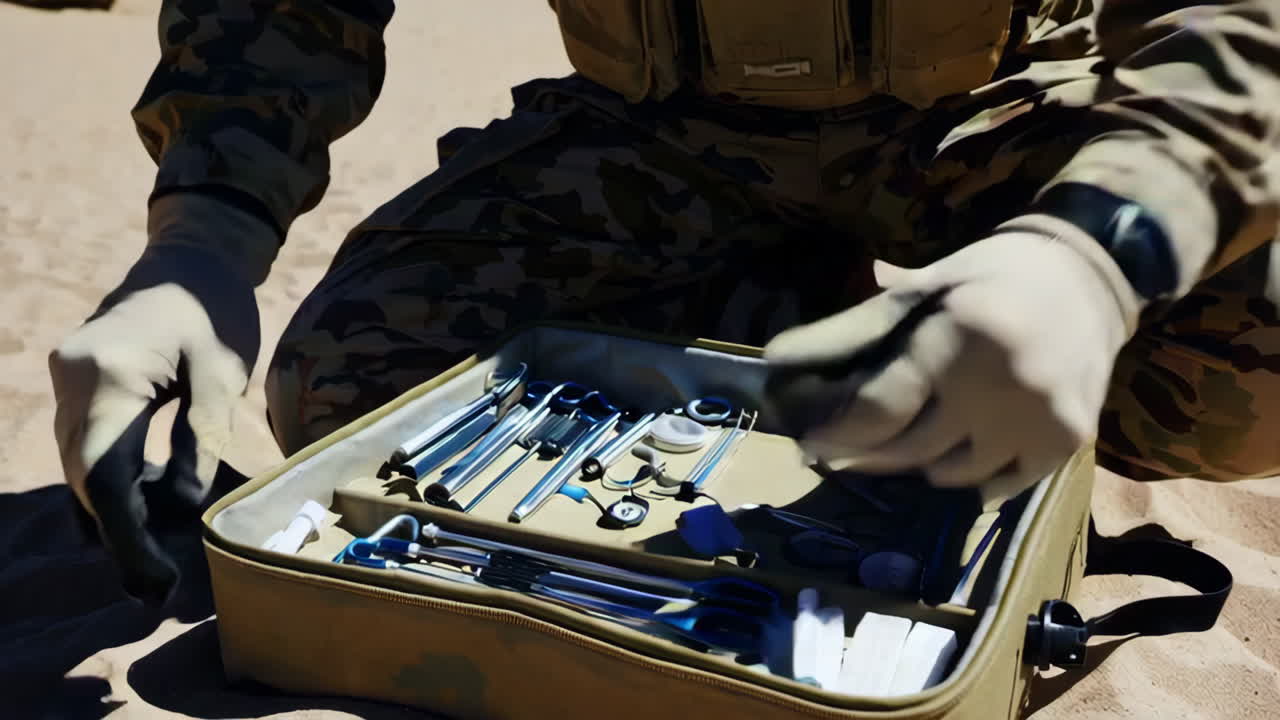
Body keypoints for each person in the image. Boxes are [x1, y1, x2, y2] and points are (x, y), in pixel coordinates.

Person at [49, 0, 1280, 605]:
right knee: (360, 389)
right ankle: (776, 296)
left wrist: (1098, 248)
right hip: (658, 136)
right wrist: (200, 243)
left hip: (994, 119)